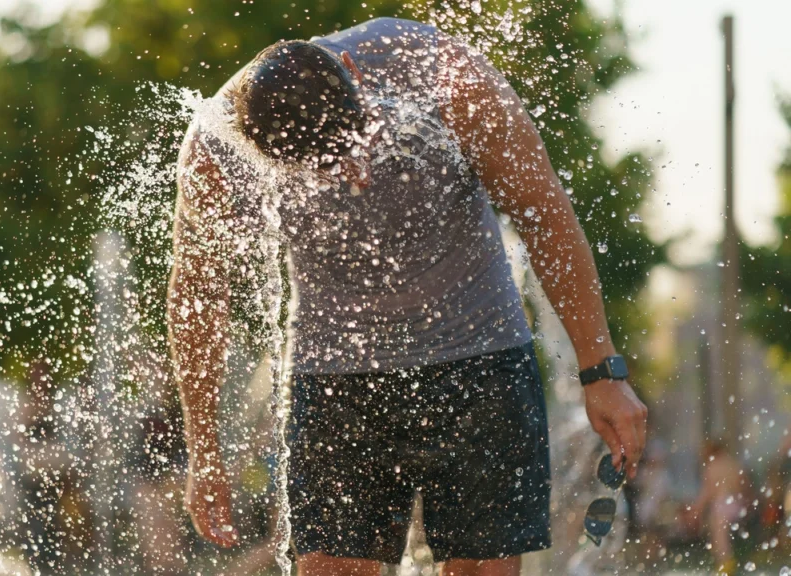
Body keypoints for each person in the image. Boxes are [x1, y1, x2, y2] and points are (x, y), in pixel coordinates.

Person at [168, 17, 648, 576]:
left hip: (481, 356)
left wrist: (601, 372)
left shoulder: (446, 78)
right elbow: (198, 295)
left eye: (356, 141)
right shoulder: (217, 150)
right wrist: (204, 452)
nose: (355, 172)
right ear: (263, 154)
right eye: (324, 168)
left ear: (353, 72)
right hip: (334, 376)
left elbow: (543, 215)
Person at [687, 439, 750, 575]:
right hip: (736, 504)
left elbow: (708, 492)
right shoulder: (732, 463)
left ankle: (725, 564)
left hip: (722, 503)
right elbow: (744, 486)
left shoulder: (712, 466)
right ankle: (728, 563)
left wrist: (696, 509)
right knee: (723, 533)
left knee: (719, 535)